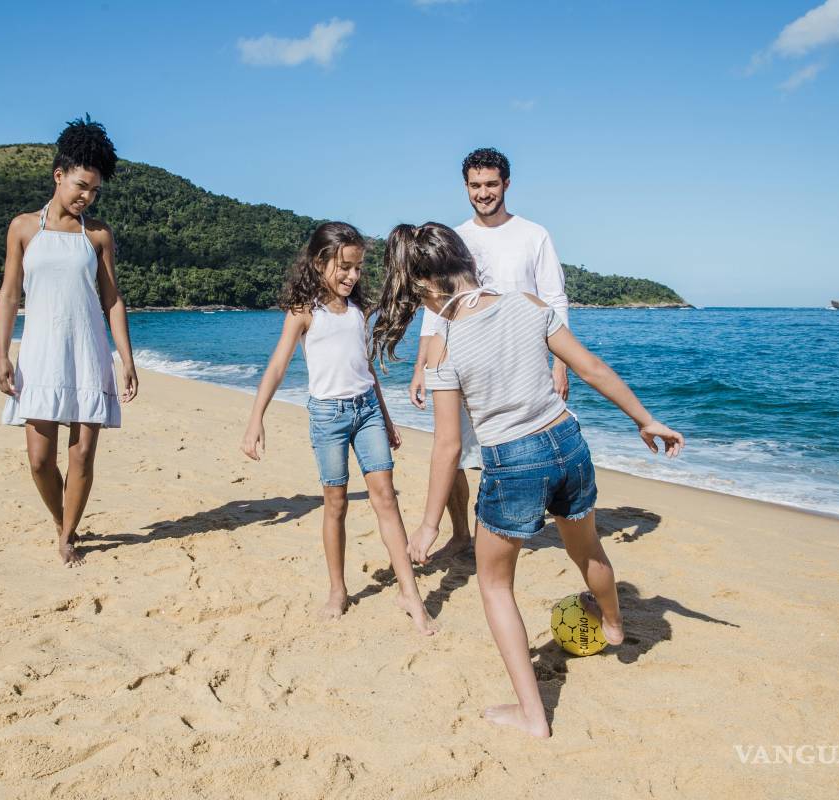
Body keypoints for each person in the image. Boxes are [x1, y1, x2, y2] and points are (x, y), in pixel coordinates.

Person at [372, 223, 684, 737]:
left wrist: (428, 525)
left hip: (513, 460)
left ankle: (533, 716)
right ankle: (612, 624)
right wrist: (644, 419)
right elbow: (590, 368)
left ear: (424, 284)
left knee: (495, 585)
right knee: (587, 549)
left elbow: (448, 445)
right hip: (567, 441)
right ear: (466, 261)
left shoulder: (444, 343)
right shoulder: (527, 302)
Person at [241, 222, 434, 635]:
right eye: (344, 267)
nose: (352, 276)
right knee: (336, 504)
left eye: (358, 268)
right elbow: (277, 366)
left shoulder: (358, 311)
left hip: (367, 412)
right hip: (328, 417)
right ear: (319, 262)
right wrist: (256, 418)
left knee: (386, 498)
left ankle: (410, 594)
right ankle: (337, 590)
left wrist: (386, 418)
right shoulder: (304, 311)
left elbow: (366, 370)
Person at [408, 148, 571, 560]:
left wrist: (561, 364)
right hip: (461, 360)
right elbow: (436, 305)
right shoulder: (456, 237)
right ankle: (461, 534)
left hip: (520, 363)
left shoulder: (534, 235)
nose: (483, 193)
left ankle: (498, 532)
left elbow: (554, 300)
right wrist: (421, 365)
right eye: (475, 185)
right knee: (452, 450)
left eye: (491, 184)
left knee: (505, 446)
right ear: (465, 187)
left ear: (506, 184)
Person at [0, 116, 138, 567]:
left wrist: (126, 359)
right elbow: (10, 294)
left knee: (82, 455)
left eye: (94, 191)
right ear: (59, 175)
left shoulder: (97, 235)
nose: (86, 197)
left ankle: (67, 536)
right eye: (81, 186)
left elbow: (112, 299)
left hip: (88, 353)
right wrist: (1, 354)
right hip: (40, 354)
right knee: (40, 460)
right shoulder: (23, 228)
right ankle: (63, 520)